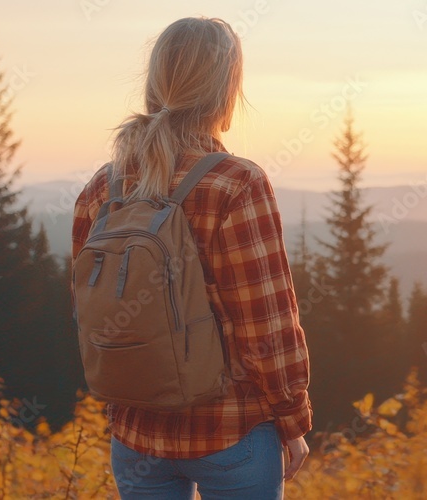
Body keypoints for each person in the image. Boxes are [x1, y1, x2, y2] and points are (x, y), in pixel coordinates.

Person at [71, 17, 311, 499]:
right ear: (226, 89)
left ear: (156, 82)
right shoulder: (237, 183)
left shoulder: (106, 185)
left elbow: (89, 310)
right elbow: (266, 320)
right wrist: (292, 417)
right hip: (230, 431)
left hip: (135, 434)